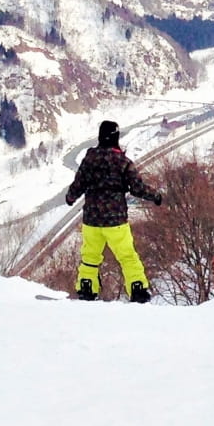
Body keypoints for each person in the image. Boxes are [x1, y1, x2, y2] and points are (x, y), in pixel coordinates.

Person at [63, 120, 163, 302]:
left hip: (91, 220)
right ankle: (137, 288)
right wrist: (155, 196)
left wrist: (70, 198)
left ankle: (86, 287)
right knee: (127, 256)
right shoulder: (122, 162)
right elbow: (137, 188)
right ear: (116, 137)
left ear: (100, 136)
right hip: (116, 221)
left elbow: (78, 185)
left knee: (90, 256)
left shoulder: (89, 160)